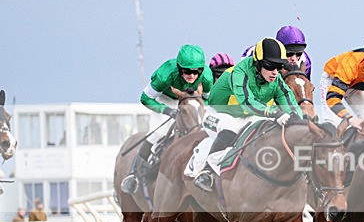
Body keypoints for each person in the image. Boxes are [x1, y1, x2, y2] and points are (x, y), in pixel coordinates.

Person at [193, 37, 303, 192]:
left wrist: (300, 121)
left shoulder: (275, 78)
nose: (275, 72)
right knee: (231, 127)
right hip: (218, 113)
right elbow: (247, 101)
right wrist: (274, 112)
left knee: (268, 129)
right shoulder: (239, 72)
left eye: (278, 67)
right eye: (270, 66)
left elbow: (288, 101)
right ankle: (207, 172)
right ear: (258, 63)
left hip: (245, 115)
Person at [121, 44, 212, 194]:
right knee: (159, 133)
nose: (192, 75)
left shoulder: (207, 77)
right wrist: (166, 110)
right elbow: (145, 98)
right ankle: (133, 174)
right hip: (166, 101)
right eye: (187, 71)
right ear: (179, 67)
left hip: (193, 101)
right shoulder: (165, 74)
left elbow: (209, 101)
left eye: (197, 71)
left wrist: (201, 110)